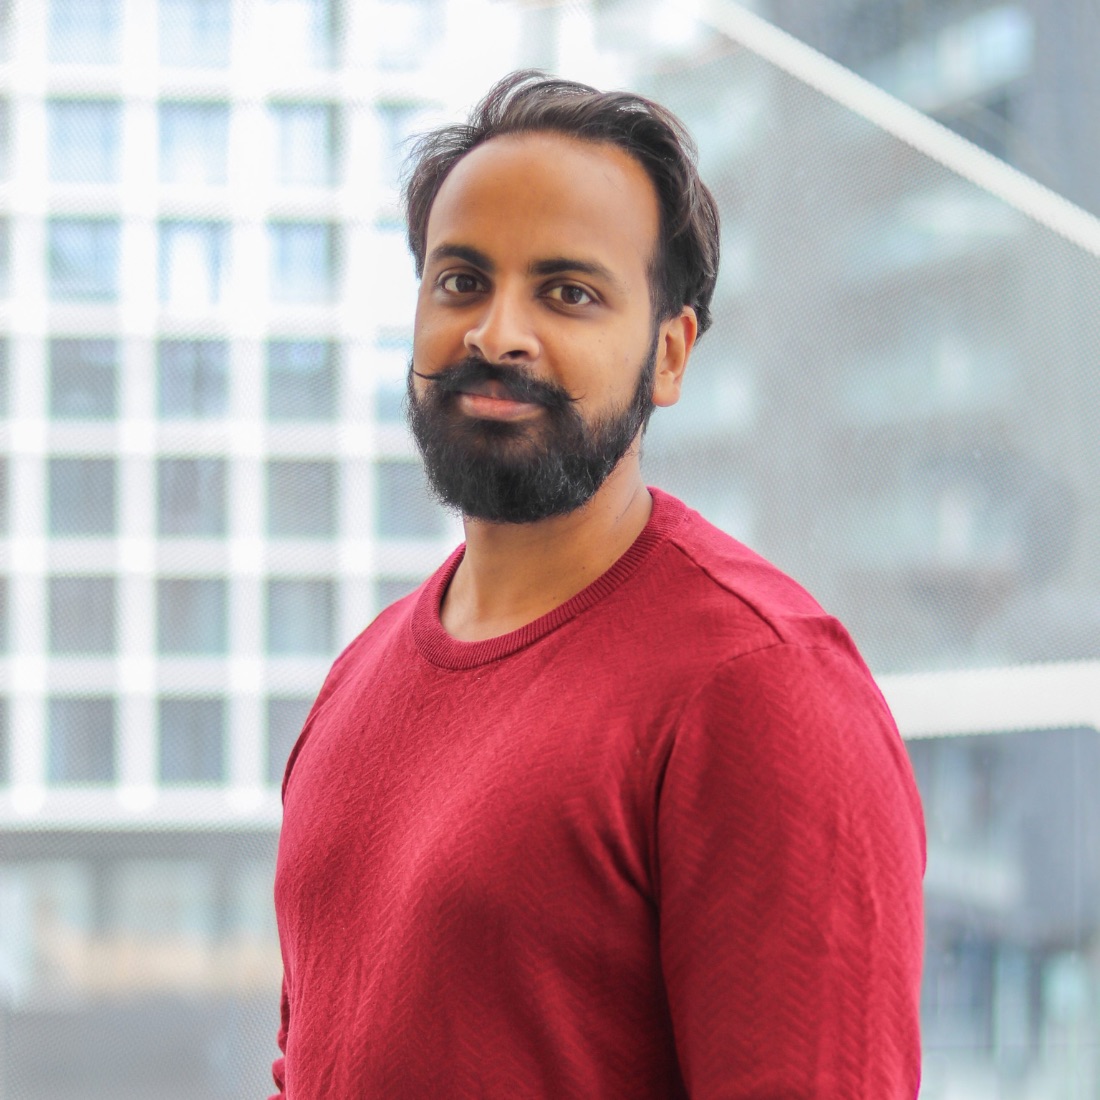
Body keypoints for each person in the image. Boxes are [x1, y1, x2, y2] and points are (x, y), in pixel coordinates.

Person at [270, 70, 925, 1099]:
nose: (496, 334)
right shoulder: (359, 674)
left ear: (668, 355)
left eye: (567, 292)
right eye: (460, 280)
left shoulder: (762, 691)